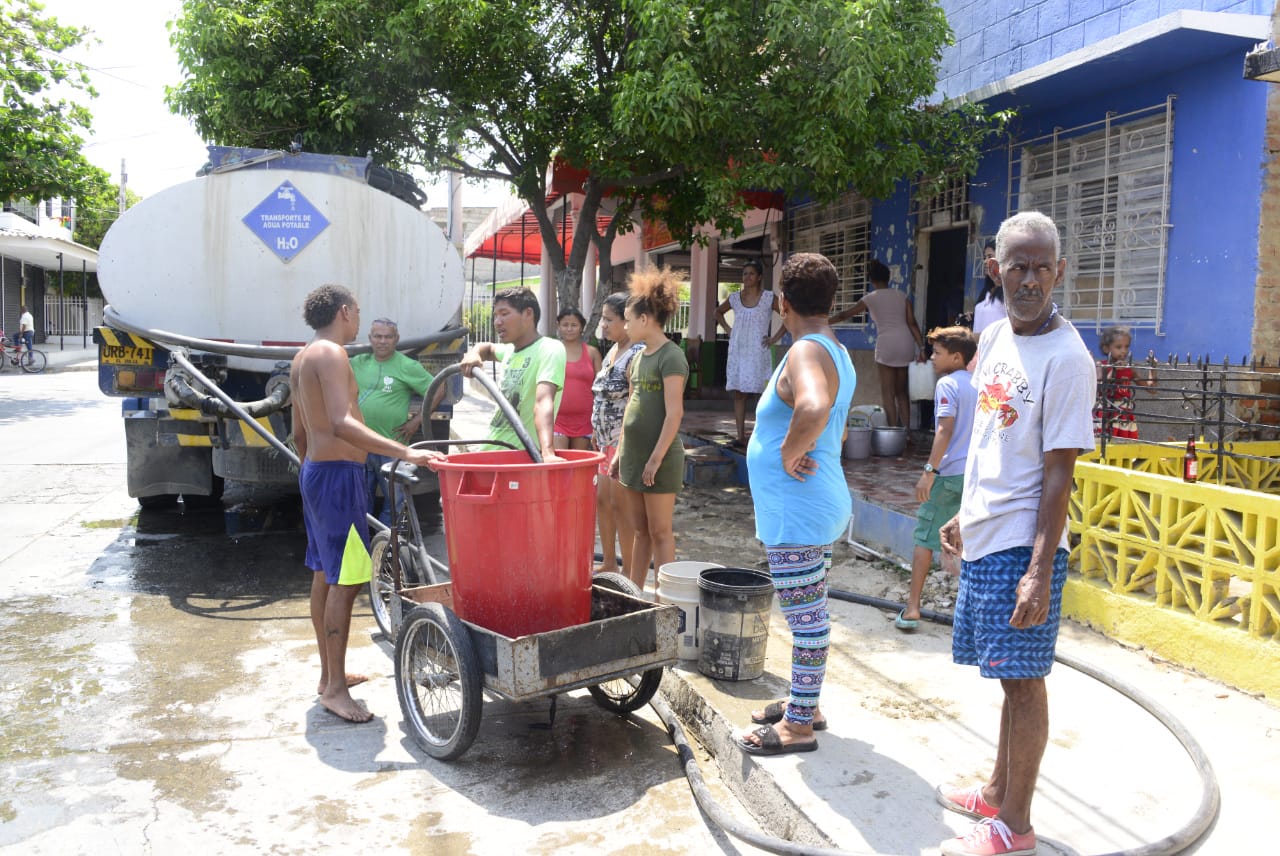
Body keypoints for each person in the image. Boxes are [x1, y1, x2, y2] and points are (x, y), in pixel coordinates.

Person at [935, 212, 1096, 856]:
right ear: (994, 270)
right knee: (1006, 676)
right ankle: (998, 790)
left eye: (1042, 268)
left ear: (1059, 271)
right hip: (986, 531)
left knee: (1024, 681)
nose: (1030, 280)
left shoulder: (1069, 360)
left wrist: (1036, 570)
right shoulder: (995, 335)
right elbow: (990, 438)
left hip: (1023, 547)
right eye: (1017, 267)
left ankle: (1016, 828)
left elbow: (1059, 477)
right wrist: (963, 512)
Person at [289, 285, 441, 723]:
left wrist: (310, 472)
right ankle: (335, 690)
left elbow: (300, 431)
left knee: (324, 571)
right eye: (356, 311)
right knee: (348, 579)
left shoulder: (303, 357)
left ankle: (327, 675)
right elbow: (342, 422)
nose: (359, 318)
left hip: (318, 473)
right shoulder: (333, 355)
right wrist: (406, 451)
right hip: (338, 478)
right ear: (344, 311)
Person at [734, 252, 856, 756]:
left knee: (808, 622)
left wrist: (787, 452)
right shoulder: (836, 349)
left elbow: (813, 407)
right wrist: (804, 450)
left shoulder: (805, 350)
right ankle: (808, 702)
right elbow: (836, 424)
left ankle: (799, 726)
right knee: (810, 608)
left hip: (797, 509)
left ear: (782, 302)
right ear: (831, 303)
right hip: (814, 500)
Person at [610, 268, 688, 591]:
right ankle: (635, 595)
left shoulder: (672, 357)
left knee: (660, 532)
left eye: (628, 320)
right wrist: (618, 453)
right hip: (632, 456)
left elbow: (674, 414)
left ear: (645, 319)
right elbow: (631, 404)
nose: (625, 326)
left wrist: (655, 459)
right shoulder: (637, 359)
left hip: (660, 459)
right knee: (640, 531)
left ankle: (666, 601)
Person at [897, 325, 977, 631]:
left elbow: (944, 429)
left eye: (938, 353)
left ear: (956, 357)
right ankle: (967, 613)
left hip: (948, 475)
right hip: (973, 476)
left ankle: (913, 607)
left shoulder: (948, 384)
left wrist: (928, 472)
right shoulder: (980, 384)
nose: (932, 357)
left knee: (925, 536)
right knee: (967, 540)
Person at [351, 317, 446, 524]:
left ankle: (387, 547)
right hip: (360, 447)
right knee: (359, 503)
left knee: (395, 504)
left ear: (396, 339)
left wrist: (417, 421)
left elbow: (439, 388)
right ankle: (363, 546)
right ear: (370, 338)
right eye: (378, 336)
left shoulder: (406, 366)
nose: (382, 341)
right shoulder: (357, 363)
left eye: (388, 337)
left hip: (392, 449)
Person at [459, 287, 565, 461]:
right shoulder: (510, 351)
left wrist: (547, 453)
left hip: (519, 459)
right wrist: (474, 353)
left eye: (504, 313)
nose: (497, 322)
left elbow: (543, 402)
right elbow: (487, 348)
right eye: (495, 315)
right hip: (488, 453)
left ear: (528, 314)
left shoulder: (549, 349)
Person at [829, 259, 925, 428]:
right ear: (888, 278)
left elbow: (845, 315)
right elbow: (912, 323)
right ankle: (907, 432)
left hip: (887, 345)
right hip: (905, 343)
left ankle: (893, 431)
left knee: (888, 392)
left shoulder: (870, 299)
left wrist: (824, 322)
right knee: (901, 391)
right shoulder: (901, 296)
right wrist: (922, 348)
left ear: (871, 280)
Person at [591, 293, 643, 576]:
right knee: (603, 502)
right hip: (602, 440)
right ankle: (609, 561)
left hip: (620, 443)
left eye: (609, 319)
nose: (603, 325)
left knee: (620, 506)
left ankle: (629, 569)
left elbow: (634, 404)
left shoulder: (637, 353)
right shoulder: (612, 351)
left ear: (627, 321)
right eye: (602, 318)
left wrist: (622, 447)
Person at [715, 260, 784, 447]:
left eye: (751, 273)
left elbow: (788, 315)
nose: (747, 277)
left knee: (761, 393)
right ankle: (740, 437)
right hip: (738, 350)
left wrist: (774, 338)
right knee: (739, 393)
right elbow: (718, 312)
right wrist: (729, 330)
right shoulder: (735, 298)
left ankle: (761, 436)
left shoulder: (769, 298)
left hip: (758, 352)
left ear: (760, 277)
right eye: (744, 274)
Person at [1094, 325, 1156, 440]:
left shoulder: (1129, 369)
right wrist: (1113, 369)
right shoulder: (1101, 365)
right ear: (1107, 348)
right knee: (1105, 444)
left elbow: (1151, 389)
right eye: (1118, 347)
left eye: (1126, 347)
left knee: (1126, 444)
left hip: (1124, 413)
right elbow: (1100, 388)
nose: (1124, 351)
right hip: (1107, 412)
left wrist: (1153, 368)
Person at [553, 308, 601, 451]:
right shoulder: (552, 351)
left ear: (581, 327)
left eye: (574, 325)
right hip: (557, 419)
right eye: (565, 325)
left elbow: (600, 388)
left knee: (578, 467)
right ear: (559, 326)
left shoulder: (592, 353)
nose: (569, 329)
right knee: (558, 465)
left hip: (585, 420)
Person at [972, 240, 1007, 337]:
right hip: (980, 351)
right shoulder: (986, 292)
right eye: (984, 257)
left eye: (990, 257)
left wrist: (970, 337)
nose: (985, 261)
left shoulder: (1009, 292)